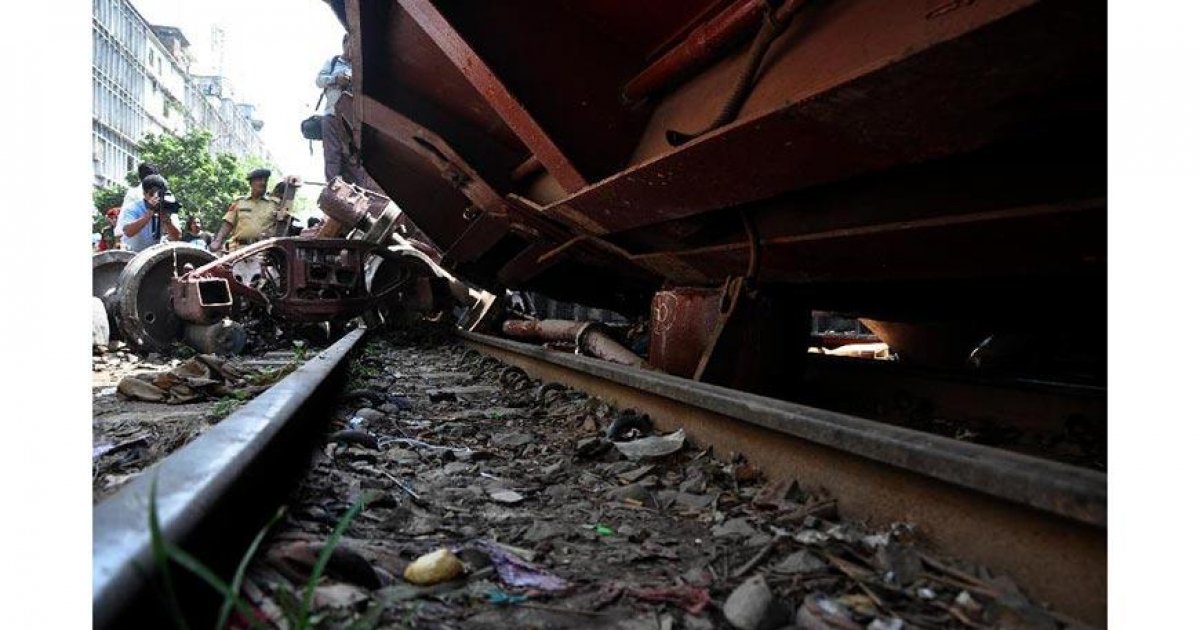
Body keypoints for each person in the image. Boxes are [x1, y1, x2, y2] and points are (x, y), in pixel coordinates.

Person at [315, 35, 370, 185]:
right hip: (332, 114)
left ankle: (358, 191)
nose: (354, 49)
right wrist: (336, 79)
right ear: (344, 44)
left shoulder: (360, 67)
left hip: (353, 120)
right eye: (351, 44)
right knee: (332, 154)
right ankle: (333, 187)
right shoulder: (333, 62)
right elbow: (319, 80)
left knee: (354, 157)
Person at [210, 169, 280, 252]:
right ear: (251, 183)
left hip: (263, 252)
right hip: (239, 250)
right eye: (259, 180)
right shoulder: (240, 202)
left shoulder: (275, 204)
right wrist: (217, 241)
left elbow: (284, 224)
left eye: (265, 180)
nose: (263, 183)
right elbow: (228, 223)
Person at [116, 174, 181, 252]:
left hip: (154, 255)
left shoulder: (167, 207)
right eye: (152, 193)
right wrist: (149, 213)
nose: (157, 197)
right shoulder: (133, 208)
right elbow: (128, 232)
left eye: (161, 193)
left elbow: (177, 237)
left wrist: (168, 222)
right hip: (132, 254)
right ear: (144, 194)